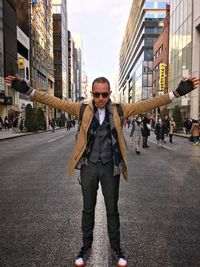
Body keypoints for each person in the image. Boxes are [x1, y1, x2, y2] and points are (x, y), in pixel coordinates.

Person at [4, 74, 199, 267]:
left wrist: (177, 92)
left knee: (112, 210)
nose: (100, 99)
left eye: (104, 95)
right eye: (96, 94)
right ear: (91, 93)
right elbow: (54, 101)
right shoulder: (81, 109)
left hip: (110, 167)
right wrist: (27, 90)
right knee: (87, 210)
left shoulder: (120, 109)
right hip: (88, 166)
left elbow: (148, 104)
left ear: (110, 94)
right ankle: (85, 247)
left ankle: (115, 249)